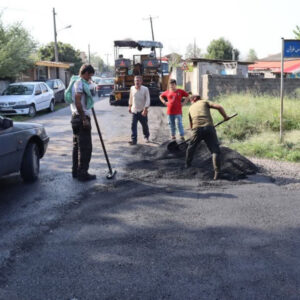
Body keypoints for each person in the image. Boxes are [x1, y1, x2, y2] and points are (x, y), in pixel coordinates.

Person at [185, 95, 230, 180]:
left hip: (196, 129)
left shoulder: (190, 108)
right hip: (209, 128)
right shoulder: (204, 102)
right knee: (215, 150)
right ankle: (217, 173)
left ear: (193, 100)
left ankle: (187, 165)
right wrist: (225, 117)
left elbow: (191, 125)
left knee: (191, 147)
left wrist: (195, 133)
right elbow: (219, 107)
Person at [70, 64, 96, 181]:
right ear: (85, 73)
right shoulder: (79, 83)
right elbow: (77, 101)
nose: (90, 78)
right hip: (81, 118)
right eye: (89, 76)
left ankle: (76, 171)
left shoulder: (74, 81)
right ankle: (83, 173)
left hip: (75, 118)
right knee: (85, 148)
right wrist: (84, 118)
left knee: (77, 147)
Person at [128, 75, 150, 145]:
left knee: (144, 125)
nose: (137, 82)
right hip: (134, 110)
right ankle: (134, 140)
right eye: (135, 81)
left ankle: (146, 136)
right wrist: (129, 106)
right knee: (133, 125)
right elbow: (131, 98)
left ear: (141, 81)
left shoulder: (145, 89)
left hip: (142, 111)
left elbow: (148, 100)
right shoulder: (132, 88)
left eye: (138, 81)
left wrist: (145, 109)